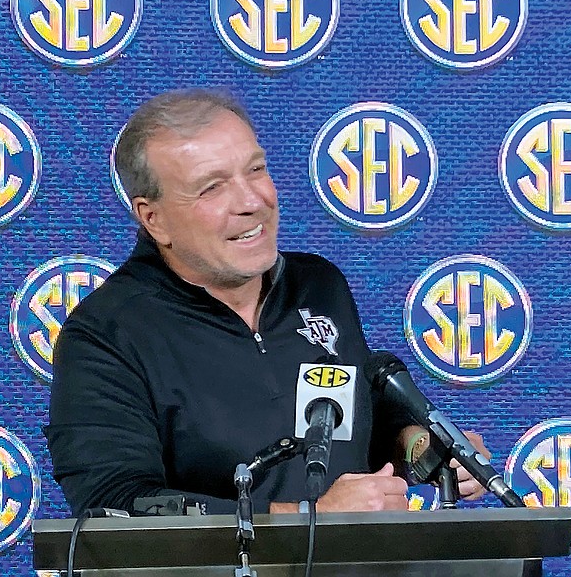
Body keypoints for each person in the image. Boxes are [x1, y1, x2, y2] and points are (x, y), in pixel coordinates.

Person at [46, 89, 489, 517]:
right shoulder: (107, 333)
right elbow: (115, 505)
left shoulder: (318, 285)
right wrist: (306, 519)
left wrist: (418, 448)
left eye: (255, 170)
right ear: (154, 219)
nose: (253, 201)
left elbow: (355, 424)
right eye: (212, 188)